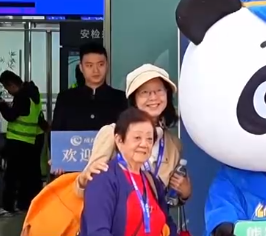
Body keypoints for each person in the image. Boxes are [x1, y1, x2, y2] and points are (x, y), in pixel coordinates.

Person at [76, 64, 191, 201]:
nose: (153, 97)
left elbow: (167, 200)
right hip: (117, 214)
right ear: (134, 99)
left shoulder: (174, 145)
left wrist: (184, 193)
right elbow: (86, 189)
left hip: (152, 215)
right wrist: (83, 180)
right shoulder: (112, 133)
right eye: (145, 92)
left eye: (159, 90)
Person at [80, 108, 177, 236]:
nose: (144, 144)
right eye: (137, 138)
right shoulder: (103, 179)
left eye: (149, 139)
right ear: (119, 140)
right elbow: (98, 232)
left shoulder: (152, 181)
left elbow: (168, 224)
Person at [0, 71, 43, 218]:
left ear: (12, 84)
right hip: (31, 140)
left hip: (17, 141)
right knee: (29, 176)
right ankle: (26, 205)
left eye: (7, 87)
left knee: (11, 176)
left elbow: (11, 116)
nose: (8, 91)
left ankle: (8, 207)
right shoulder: (33, 95)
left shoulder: (21, 97)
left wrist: (2, 105)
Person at [51, 42, 126, 134]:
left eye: (100, 64)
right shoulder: (65, 99)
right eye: (89, 65)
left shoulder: (121, 99)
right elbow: (56, 136)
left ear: (107, 65)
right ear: (81, 67)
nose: (96, 70)